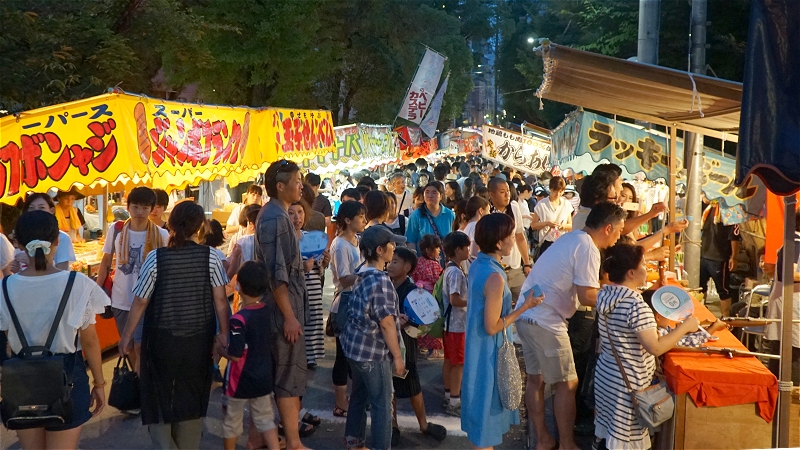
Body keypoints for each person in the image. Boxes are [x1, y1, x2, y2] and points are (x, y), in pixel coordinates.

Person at [119, 201, 229, 449]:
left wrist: (125, 337)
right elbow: (221, 300)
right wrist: (223, 333)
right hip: (198, 340)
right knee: (190, 397)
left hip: (161, 340)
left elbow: (140, 301)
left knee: (159, 397)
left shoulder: (156, 257)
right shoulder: (210, 257)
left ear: (170, 224)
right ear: (200, 226)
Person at [516, 202, 626, 450]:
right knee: (567, 383)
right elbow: (588, 296)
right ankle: (567, 444)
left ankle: (543, 439)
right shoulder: (588, 247)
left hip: (526, 314)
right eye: (619, 231)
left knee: (536, 380)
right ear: (607, 228)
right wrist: (622, 296)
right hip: (546, 320)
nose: (619, 236)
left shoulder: (572, 238)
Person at [0, 211, 109, 450]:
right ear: (57, 242)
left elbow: (8, 338)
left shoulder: (4, 288)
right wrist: (99, 384)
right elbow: (90, 341)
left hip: (22, 380)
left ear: (18, 243)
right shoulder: (77, 283)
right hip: (68, 377)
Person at [593, 243, 700, 450]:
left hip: (607, 376)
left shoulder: (605, 295)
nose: (646, 266)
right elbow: (656, 347)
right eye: (644, 264)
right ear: (631, 272)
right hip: (628, 385)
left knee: (610, 435)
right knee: (626, 439)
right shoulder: (636, 305)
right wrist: (686, 326)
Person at [461, 213, 543, 449]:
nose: (514, 241)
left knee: (480, 413)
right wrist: (524, 307)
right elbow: (493, 326)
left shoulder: (479, 264)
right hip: (489, 353)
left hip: (478, 349)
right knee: (487, 420)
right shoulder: (495, 277)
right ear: (498, 242)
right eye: (510, 236)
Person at [254, 160, 311, 449]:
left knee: (272, 374)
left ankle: (261, 439)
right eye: (297, 180)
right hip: (280, 311)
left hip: (281, 308)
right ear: (280, 185)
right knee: (287, 374)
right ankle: (293, 441)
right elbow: (277, 275)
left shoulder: (277, 214)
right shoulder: (275, 218)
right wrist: (290, 317)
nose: (301, 184)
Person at [341, 225, 407, 450]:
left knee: (359, 397)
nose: (394, 248)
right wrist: (397, 357)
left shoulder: (362, 272)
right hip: (373, 353)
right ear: (380, 250)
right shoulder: (381, 281)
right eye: (391, 245)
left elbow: (373, 311)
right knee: (382, 404)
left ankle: (354, 442)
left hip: (355, 348)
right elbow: (386, 324)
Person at [97, 187, 169, 377]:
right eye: (135, 207)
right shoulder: (117, 229)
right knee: (128, 347)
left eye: (145, 208)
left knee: (140, 345)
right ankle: (140, 381)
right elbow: (106, 261)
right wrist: (97, 290)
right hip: (121, 299)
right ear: (128, 207)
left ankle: (141, 387)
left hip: (148, 301)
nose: (139, 212)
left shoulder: (162, 236)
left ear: (152, 208)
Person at [386, 247, 448, 445]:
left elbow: (423, 323)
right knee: (389, 387)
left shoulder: (413, 292)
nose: (390, 265)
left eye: (395, 262)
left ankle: (424, 424)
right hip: (385, 344)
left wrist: (408, 324)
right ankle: (392, 425)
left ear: (407, 267)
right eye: (390, 261)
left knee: (413, 385)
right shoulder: (384, 286)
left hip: (407, 345)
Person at [222, 261, 281, 450]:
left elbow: (235, 355)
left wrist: (219, 348)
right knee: (266, 420)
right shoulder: (266, 311)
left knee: (232, 420)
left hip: (239, 380)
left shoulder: (238, 319)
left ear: (238, 285)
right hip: (263, 376)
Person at [329, 200, 367, 417]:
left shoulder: (357, 241)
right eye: (360, 216)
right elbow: (344, 279)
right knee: (343, 356)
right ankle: (340, 402)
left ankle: (351, 398)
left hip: (356, 300)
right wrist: (368, 274)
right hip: (344, 302)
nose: (363, 220)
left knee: (354, 354)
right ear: (347, 220)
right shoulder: (340, 245)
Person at [288, 202, 330, 368]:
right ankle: (297, 357)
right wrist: (302, 268)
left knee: (312, 320)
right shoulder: (285, 241)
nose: (297, 217)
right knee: (298, 320)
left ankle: (310, 356)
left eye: (300, 212)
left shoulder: (310, 238)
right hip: (294, 288)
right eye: (291, 213)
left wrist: (324, 262)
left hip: (312, 286)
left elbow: (319, 265)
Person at [487, 177, 532, 302]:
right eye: (502, 192)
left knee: (529, 300)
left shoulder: (514, 207)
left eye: (508, 191)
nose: (507, 195)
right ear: (492, 194)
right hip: (496, 270)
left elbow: (520, 236)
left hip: (515, 268)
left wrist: (527, 263)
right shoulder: (487, 211)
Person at [441, 231, 471, 417]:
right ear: (458, 249)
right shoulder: (456, 273)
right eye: (466, 247)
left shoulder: (450, 268)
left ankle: (447, 394)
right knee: (458, 363)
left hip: (449, 324)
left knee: (449, 361)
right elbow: (455, 299)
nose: (469, 250)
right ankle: (454, 401)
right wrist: (474, 301)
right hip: (457, 325)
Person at [700, 199, 741, 317]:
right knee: (700, 287)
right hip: (703, 255)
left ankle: (725, 318)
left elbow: (734, 237)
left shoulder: (730, 210)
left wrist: (734, 257)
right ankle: (702, 315)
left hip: (719, 258)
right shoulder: (707, 209)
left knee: (723, 290)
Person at [20, 193, 78, 271]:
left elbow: (62, 271)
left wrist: (32, 263)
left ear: (52, 211)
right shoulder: (23, 235)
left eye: (42, 207)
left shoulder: (62, 237)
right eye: (31, 208)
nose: (36, 212)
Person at [405, 181, 455, 261]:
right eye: (427, 192)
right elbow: (411, 241)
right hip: (423, 263)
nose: (430, 196)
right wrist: (415, 262)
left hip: (444, 261)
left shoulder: (449, 215)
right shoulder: (416, 215)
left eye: (434, 193)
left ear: (441, 196)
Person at [531, 176, 574, 257]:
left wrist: (563, 226)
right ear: (550, 189)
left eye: (560, 191)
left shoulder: (566, 204)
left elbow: (570, 225)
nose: (558, 194)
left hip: (562, 242)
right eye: (555, 191)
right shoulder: (542, 204)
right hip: (546, 243)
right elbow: (533, 225)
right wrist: (547, 223)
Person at [226, 204, 263, 280]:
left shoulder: (243, 240)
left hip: (245, 282)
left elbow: (229, 265)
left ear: (251, 225)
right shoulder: (269, 239)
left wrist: (234, 256)